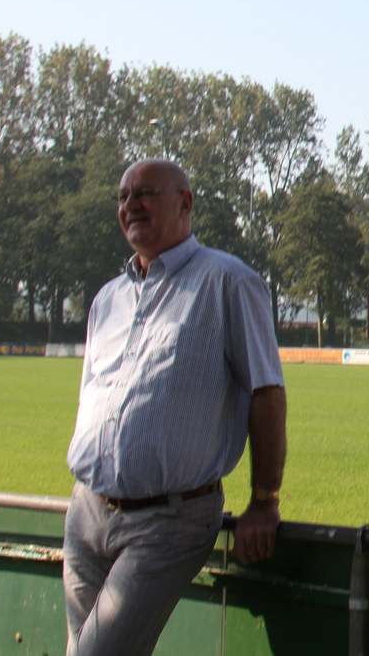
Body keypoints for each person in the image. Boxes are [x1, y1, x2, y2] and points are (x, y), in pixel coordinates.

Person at [63, 158, 287, 656]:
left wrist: (265, 500)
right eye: (123, 196)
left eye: (145, 192)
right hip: (87, 512)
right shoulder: (108, 299)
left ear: (185, 204)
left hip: (169, 520)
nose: (130, 205)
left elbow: (268, 393)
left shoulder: (228, 281)